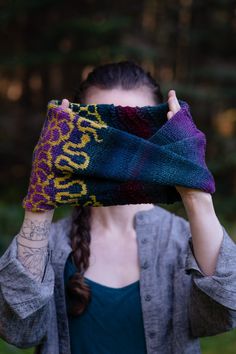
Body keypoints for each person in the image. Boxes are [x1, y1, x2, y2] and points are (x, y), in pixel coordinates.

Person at [0, 60, 236, 354]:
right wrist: (40, 200)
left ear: (162, 135)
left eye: (134, 134)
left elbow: (223, 314)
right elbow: (19, 331)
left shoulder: (180, 240)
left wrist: (194, 187)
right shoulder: (52, 244)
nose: (119, 150)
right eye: (105, 130)